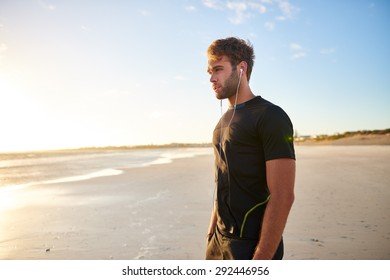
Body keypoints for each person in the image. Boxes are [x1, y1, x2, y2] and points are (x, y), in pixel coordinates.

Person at [205, 37, 296, 260]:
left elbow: (283, 195)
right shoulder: (222, 122)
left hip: (251, 246)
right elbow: (223, 179)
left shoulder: (270, 116)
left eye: (218, 69)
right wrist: (211, 234)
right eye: (209, 71)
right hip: (218, 241)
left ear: (241, 68)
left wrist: (261, 258)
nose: (211, 78)